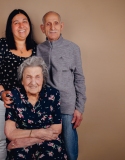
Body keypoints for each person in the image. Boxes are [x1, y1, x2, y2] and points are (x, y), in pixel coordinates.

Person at [0, 9, 36, 160]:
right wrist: (2, 93)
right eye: (16, 22)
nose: (21, 25)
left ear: (29, 25)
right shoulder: (2, 45)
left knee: (22, 143)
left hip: (26, 105)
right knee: (0, 142)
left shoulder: (36, 49)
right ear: (10, 27)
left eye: (24, 21)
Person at [36, 11, 87, 160]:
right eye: (48, 24)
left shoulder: (73, 48)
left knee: (70, 151)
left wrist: (79, 108)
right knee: (47, 150)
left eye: (56, 23)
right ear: (42, 28)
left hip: (67, 107)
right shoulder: (38, 49)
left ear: (61, 26)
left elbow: (79, 79)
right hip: (45, 107)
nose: (52, 27)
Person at [4, 56, 67, 160]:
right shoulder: (13, 96)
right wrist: (40, 133)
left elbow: (56, 130)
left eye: (37, 77)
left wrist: (28, 140)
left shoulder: (53, 94)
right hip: (22, 147)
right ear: (22, 80)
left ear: (43, 79)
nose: (33, 82)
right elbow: (10, 133)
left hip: (47, 143)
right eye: (28, 77)